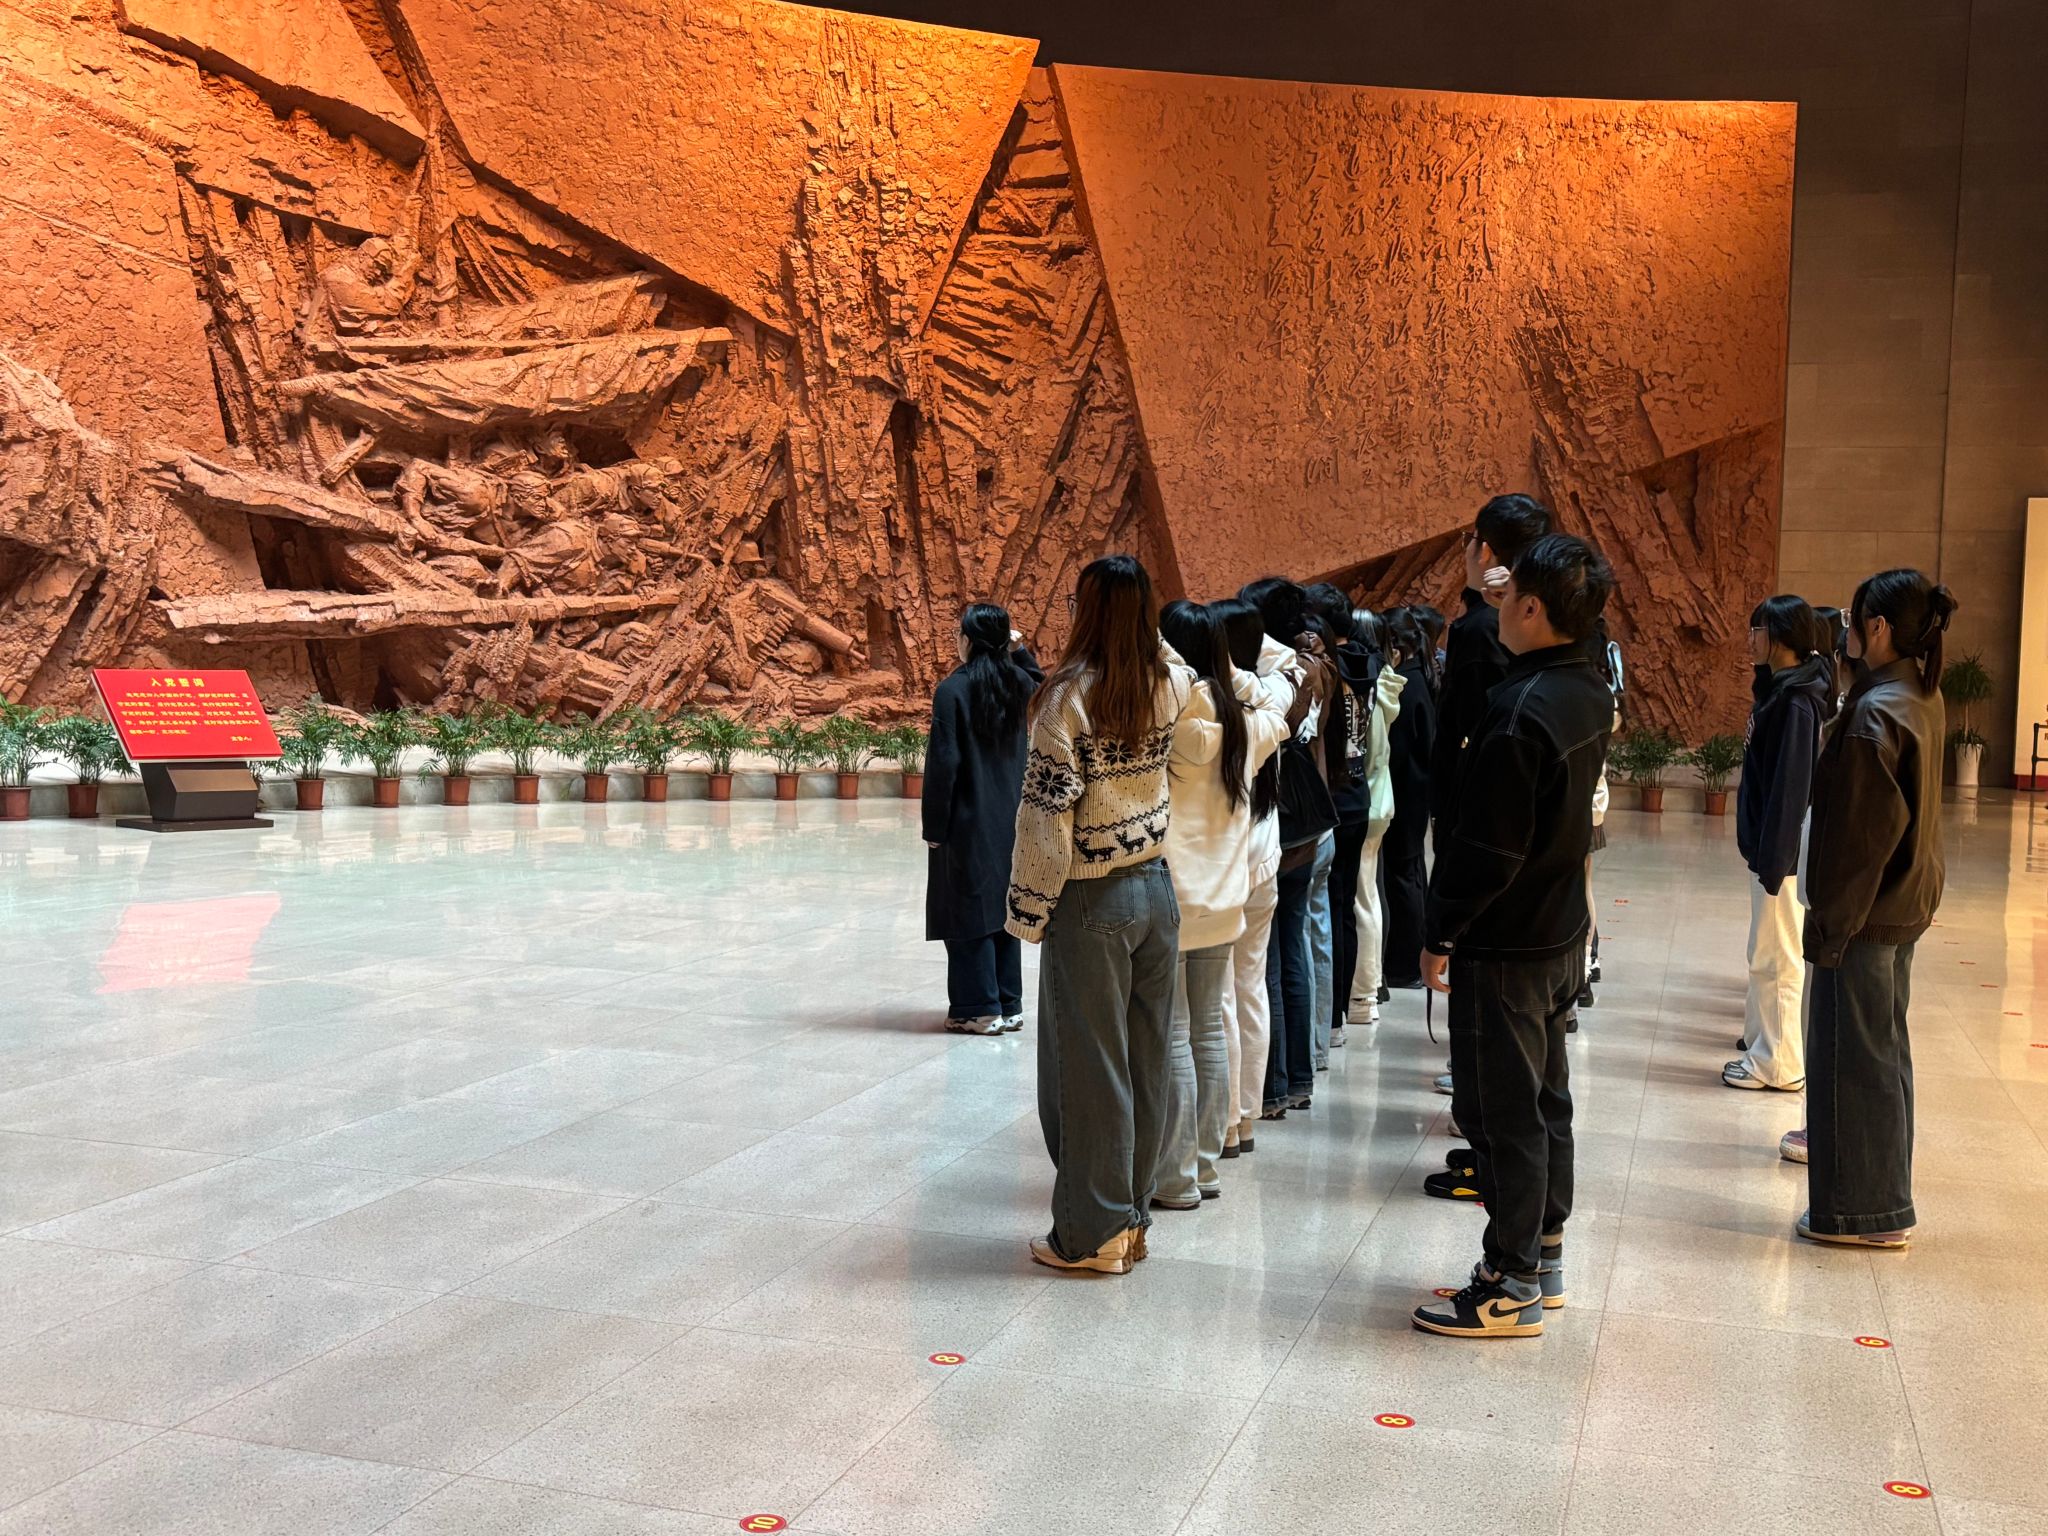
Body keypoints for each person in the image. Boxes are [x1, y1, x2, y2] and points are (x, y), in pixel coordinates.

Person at [1412, 533, 1615, 1339]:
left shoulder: (1521, 713)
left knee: (1502, 1114)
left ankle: (1510, 1282)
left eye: (1509, 596)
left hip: (1509, 943)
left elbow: (1488, 850)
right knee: (1545, 1100)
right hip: (1559, 929)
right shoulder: (1585, 686)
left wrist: (1441, 930)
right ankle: (1544, 1252)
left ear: (1532, 608)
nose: (1494, 605)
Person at [1007, 554, 1193, 1275]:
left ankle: (1092, 1233)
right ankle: (1133, 1218)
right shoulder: (1167, 680)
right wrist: (1143, 625)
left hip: (1091, 897)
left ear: (1085, 612)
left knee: (1090, 1071)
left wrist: (1028, 910)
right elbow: (1177, 659)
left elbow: (1045, 816)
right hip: (1157, 892)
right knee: (1146, 1062)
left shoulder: (1068, 697)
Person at [1797, 569, 1953, 1249]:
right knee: (1882, 1055)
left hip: (1864, 916)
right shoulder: (1919, 692)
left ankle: (1863, 1214)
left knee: (1852, 1062)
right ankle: (1883, 1203)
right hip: (1900, 905)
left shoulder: (1875, 714)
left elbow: (1858, 842)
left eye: (1854, 621)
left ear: (1879, 629)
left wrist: (1830, 927)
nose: (1846, 634)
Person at [1153, 601, 1292, 1205]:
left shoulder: (1165, 716)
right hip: (1227, 897)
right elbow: (1282, 698)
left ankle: (1175, 1176)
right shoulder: (1246, 726)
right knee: (1209, 1029)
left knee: (1175, 1033)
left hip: (1172, 896)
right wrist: (1229, 673)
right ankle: (1205, 1168)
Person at [1725, 595, 1831, 1091]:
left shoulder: (1796, 701)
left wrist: (1775, 860)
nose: (1750, 639)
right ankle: (1761, 1043)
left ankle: (1782, 1064)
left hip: (1781, 855)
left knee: (1778, 956)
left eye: (1758, 630)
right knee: (1763, 951)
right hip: (1769, 850)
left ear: (1783, 637)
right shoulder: (1778, 689)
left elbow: (1791, 789)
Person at [923, 604, 1043, 1034]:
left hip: (966, 823)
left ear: (969, 641)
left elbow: (943, 764)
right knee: (1002, 909)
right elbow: (1042, 683)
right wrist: (1019, 649)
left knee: (967, 912)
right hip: (1011, 819)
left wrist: (934, 827)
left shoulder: (953, 690)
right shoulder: (1018, 683)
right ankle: (1008, 1003)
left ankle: (978, 1008)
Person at [1243, 577, 1335, 1119]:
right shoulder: (1320, 665)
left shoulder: (1276, 674)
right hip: (1312, 823)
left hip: (1282, 825)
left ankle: (1273, 1086)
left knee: (1270, 962)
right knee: (1293, 948)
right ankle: (1299, 1074)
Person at [1214, 597, 1300, 1156]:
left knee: (1222, 995)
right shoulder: (1272, 694)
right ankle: (1246, 1116)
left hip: (1227, 867)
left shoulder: (1216, 703)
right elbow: (1283, 659)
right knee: (1250, 987)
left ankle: (1225, 1122)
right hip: (1265, 861)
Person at [1308, 585, 1377, 1051]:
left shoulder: (1326, 668)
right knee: (1345, 907)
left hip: (1330, 795)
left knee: (1326, 912)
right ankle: (1339, 1016)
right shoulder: (1369, 664)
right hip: (1358, 790)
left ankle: (1328, 1015)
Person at [1344, 609, 1404, 1030]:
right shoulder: (1385, 682)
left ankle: (1363, 994)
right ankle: (1371, 984)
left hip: (1365, 799)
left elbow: (1367, 752)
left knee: (1362, 898)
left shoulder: (1369, 685)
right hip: (1381, 798)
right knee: (1368, 894)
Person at [1379, 607, 1436, 992]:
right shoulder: (1421, 675)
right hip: (1417, 790)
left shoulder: (1408, 684)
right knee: (1411, 872)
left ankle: (1405, 963)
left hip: (1406, 790)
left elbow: (1396, 750)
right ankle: (1413, 956)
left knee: (1402, 875)